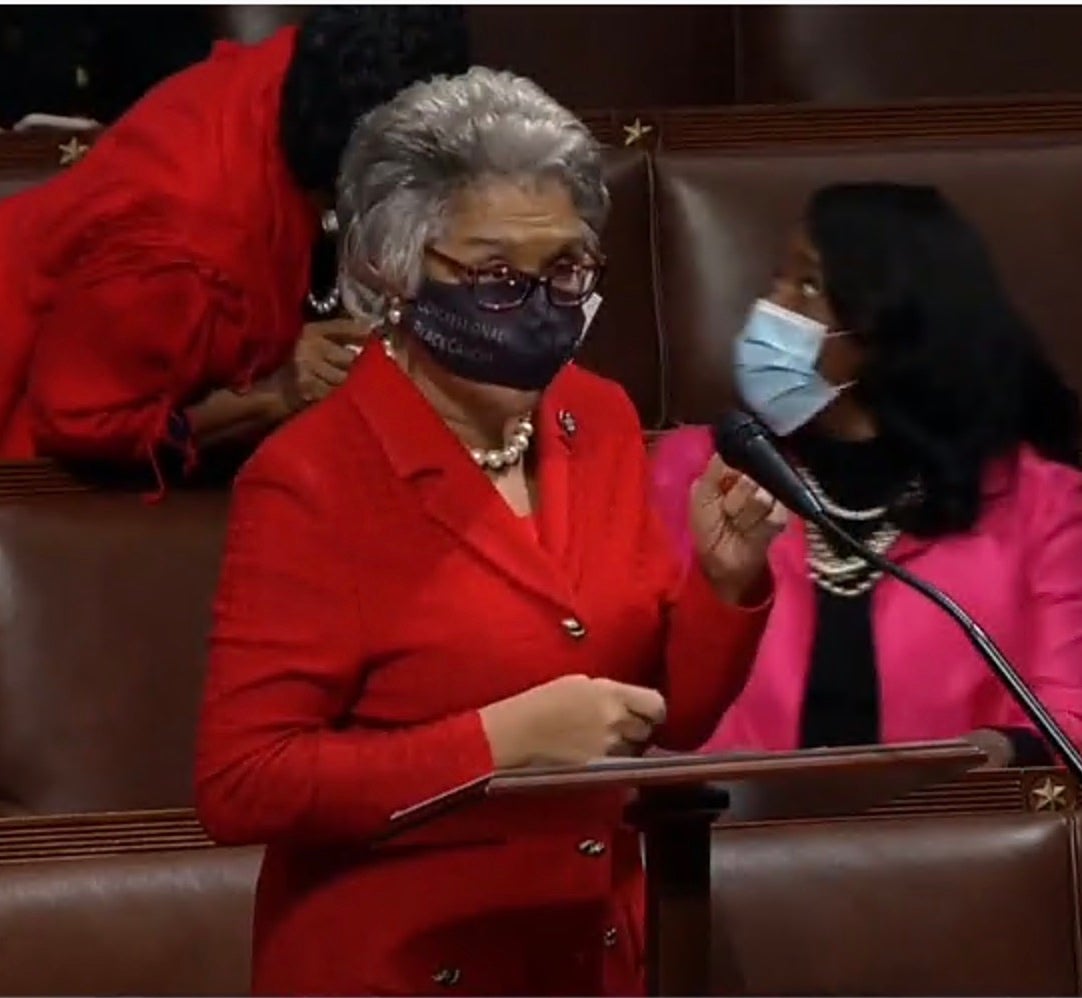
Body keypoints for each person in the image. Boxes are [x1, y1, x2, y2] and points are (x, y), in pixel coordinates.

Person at [195, 68, 785, 997]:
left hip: (590, 957)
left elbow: (669, 714)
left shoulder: (598, 418)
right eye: (498, 275)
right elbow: (243, 783)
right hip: (401, 969)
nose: (542, 304)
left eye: (567, 269)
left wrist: (725, 580)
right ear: (395, 269)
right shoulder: (312, 477)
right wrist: (495, 744)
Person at [650, 181, 1082, 765]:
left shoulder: (1043, 504)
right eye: (777, 280)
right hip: (736, 819)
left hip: (956, 818)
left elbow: (1070, 715)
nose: (771, 309)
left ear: (890, 325)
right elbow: (644, 692)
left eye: (808, 285)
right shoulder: (698, 474)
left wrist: (984, 764)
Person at [0, 6, 469, 475]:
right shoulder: (187, 246)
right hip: (42, 431)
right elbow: (77, 422)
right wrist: (274, 394)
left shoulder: (338, 67)